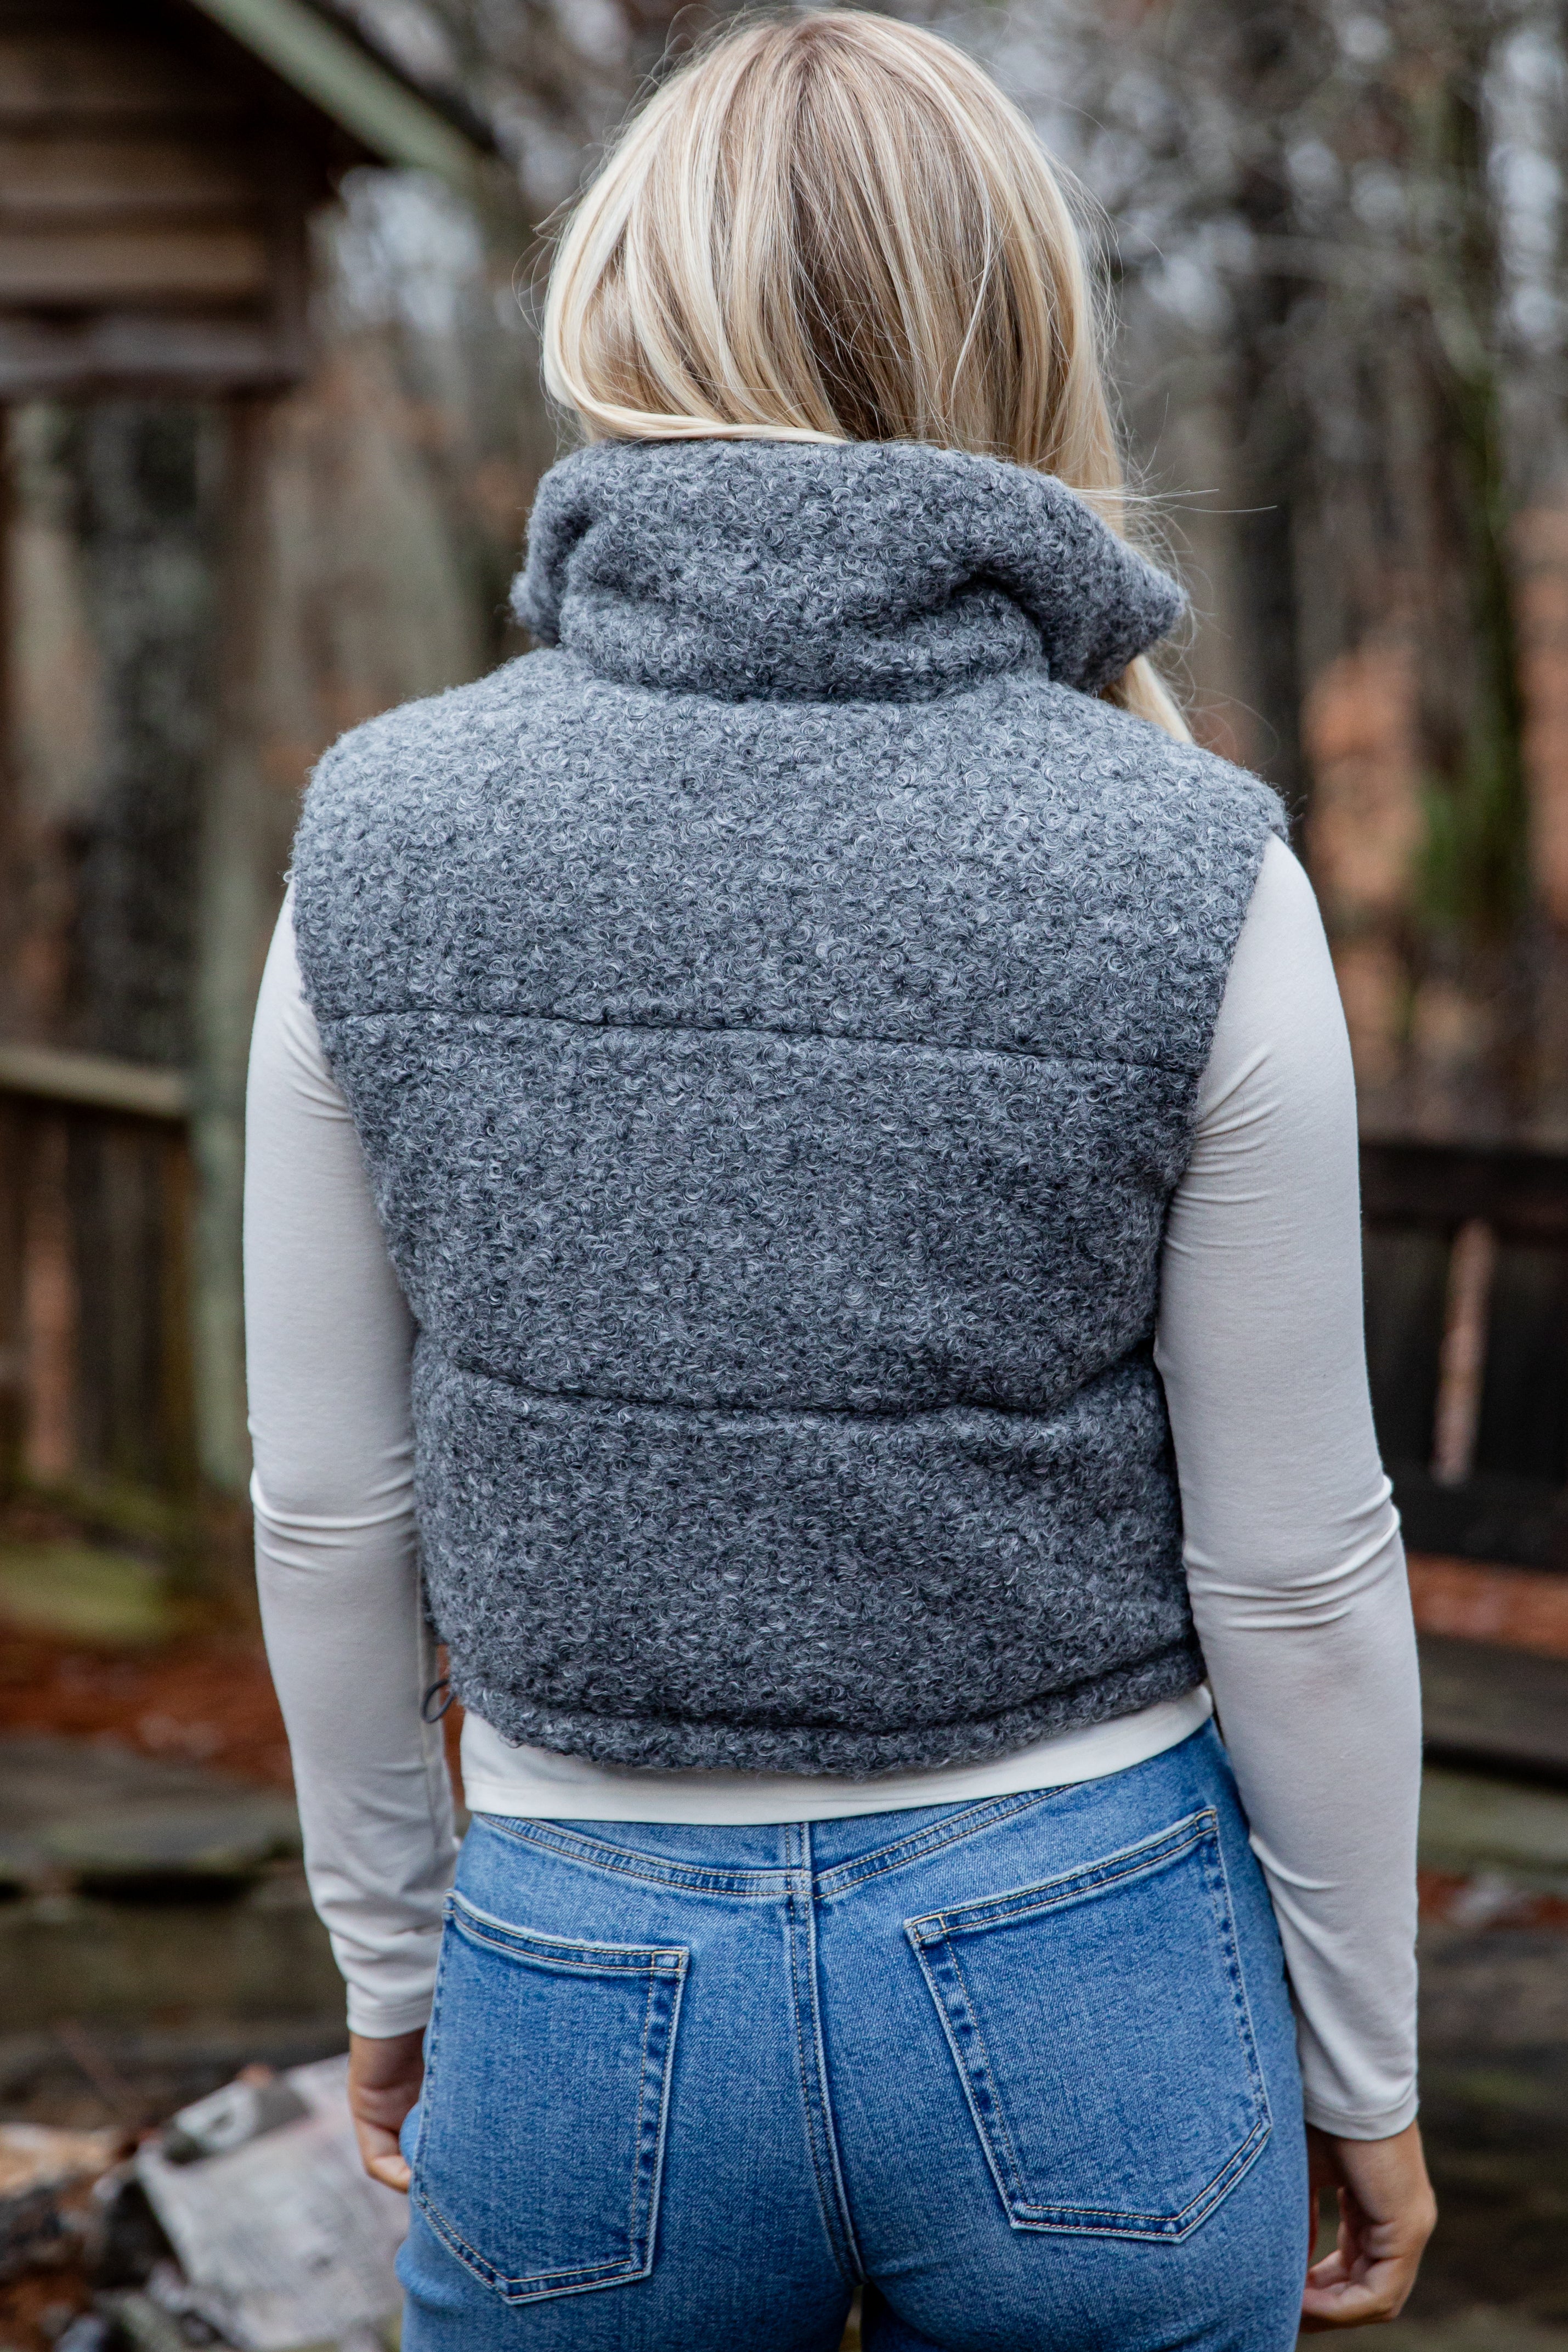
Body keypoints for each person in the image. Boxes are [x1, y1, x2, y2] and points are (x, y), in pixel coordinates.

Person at [244, 13, 1437, 2348]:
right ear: (1017, 330)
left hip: (576, 1963)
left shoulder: (377, 833)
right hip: (1089, 1949)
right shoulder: (1189, 860)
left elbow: (323, 1505)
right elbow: (1295, 1563)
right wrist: (1358, 2057)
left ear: (624, 313)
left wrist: (393, 1960)